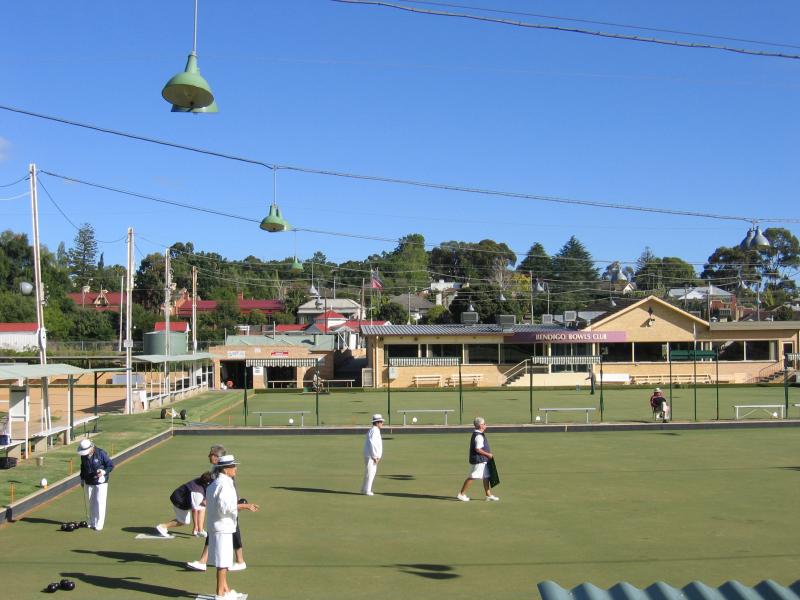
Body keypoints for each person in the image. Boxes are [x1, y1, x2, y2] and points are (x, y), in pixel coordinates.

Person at [188, 445, 257, 572]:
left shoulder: (221, 470)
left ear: (217, 457)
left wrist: (238, 504)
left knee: (224, 530)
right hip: (226, 505)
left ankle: (205, 561)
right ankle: (238, 560)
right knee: (229, 530)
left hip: (227, 506)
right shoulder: (218, 469)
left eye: (211, 454)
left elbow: (226, 489)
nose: (209, 456)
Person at [206, 455, 241, 600]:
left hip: (217, 526)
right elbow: (224, 508)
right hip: (223, 527)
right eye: (233, 466)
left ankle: (226, 590)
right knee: (223, 563)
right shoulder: (225, 484)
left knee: (223, 561)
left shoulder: (216, 482)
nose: (235, 469)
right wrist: (242, 506)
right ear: (226, 470)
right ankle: (220, 595)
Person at [156, 472, 214, 538]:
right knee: (184, 521)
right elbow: (195, 510)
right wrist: (195, 526)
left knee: (202, 507)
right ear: (207, 483)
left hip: (185, 496)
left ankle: (200, 531)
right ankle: (162, 527)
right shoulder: (197, 494)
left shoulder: (202, 480)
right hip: (179, 500)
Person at [457, 417, 499, 502]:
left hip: (482, 460)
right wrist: (488, 455)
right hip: (479, 460)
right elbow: (478, 449)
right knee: (473, 476)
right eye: (484, 424)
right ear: (480, 425)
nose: (485, 425)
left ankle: (488, 495)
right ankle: (461, 494)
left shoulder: (478, 434)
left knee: (486, 476)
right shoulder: (478, 436)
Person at [77, 439, 114, 530]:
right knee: (91, 502)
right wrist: (82, 478)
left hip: (100, 482)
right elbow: (83, 467)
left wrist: (103, 472)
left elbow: (110, 465)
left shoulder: (101, 453)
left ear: (91, 447)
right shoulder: (83, 455)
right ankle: (92, 522)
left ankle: (99, 524)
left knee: (99, 502)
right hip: (88, 481)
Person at [361, 414, 384, 496]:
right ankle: (367, 490)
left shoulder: (374, 430)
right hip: (371, 456)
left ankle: (364, 489)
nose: (382, 423)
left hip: (370, 455)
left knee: (369, 472)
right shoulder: (374, 431)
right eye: (381, 422)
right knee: (371, 473)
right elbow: (372, 443)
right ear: (377, 423)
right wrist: (375, 456)